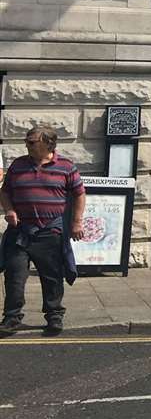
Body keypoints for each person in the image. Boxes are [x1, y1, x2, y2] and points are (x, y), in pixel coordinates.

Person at [1, 124, 85, 337]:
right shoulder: (18, 165)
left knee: (52, 277)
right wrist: (9, 209)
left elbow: (79, 194)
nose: (26, 145)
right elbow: (5, 191)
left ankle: (54, 315)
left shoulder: (66, 166)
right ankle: (11, 317)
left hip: (49, 232)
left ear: (48, 143)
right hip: (19, 231)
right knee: (14, 276)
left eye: (31, 141)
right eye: (26, 141)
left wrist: (77, 222)